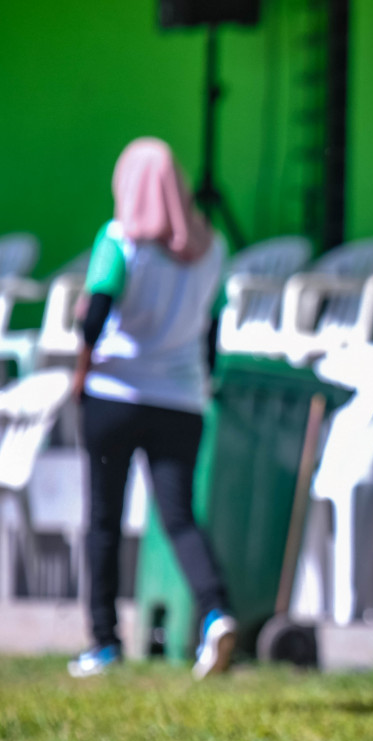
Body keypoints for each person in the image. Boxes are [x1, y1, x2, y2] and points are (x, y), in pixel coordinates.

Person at [66, 138, 238, 681]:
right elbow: (213, 327)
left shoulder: (118, 241)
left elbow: (94, 316)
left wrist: (81, 371)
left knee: (103, 521)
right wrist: (202, 382)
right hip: (183, 401)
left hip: (114, 397)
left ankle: (105, 643)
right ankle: (216, 612)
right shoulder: (213, 249)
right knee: (180, 517)